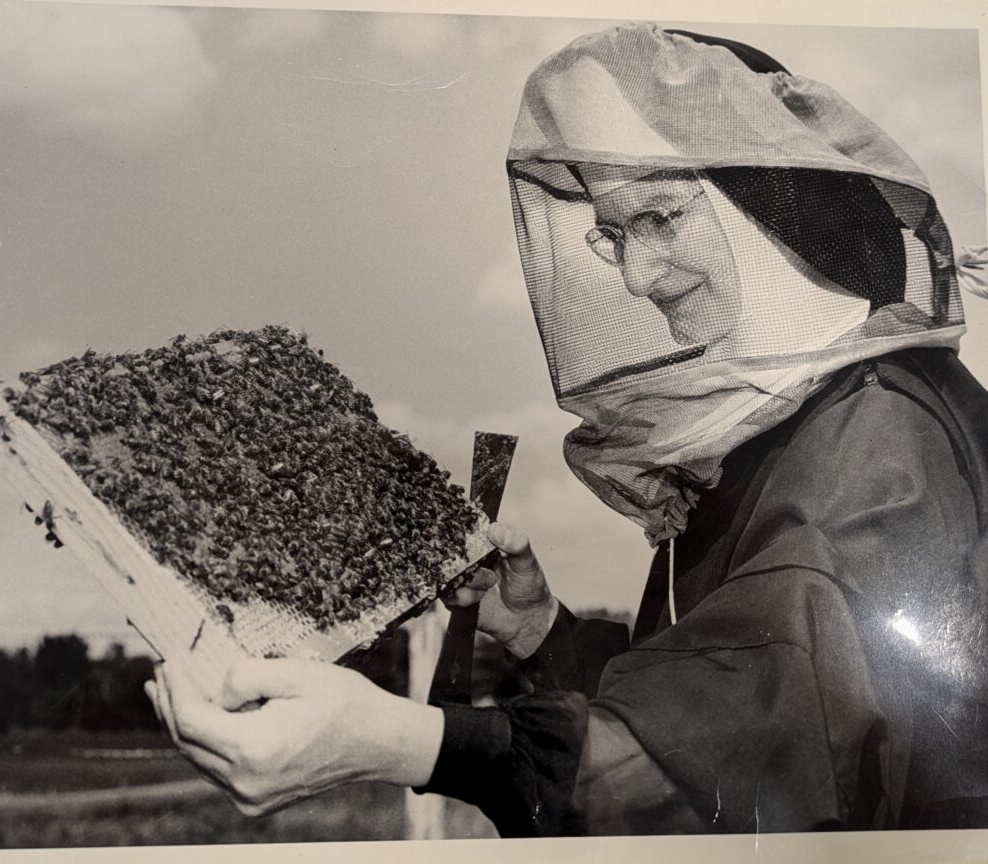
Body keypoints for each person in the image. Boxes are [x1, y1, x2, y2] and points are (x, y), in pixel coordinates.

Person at [146, 23, 988, 834]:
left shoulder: (876, 448)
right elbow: (699, 702)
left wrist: (401, 743)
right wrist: (542, 628)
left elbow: (727, 777)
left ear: (779, 205)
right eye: (613, 235)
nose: (637, 275)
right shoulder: (812, 420)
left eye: (662, 217)